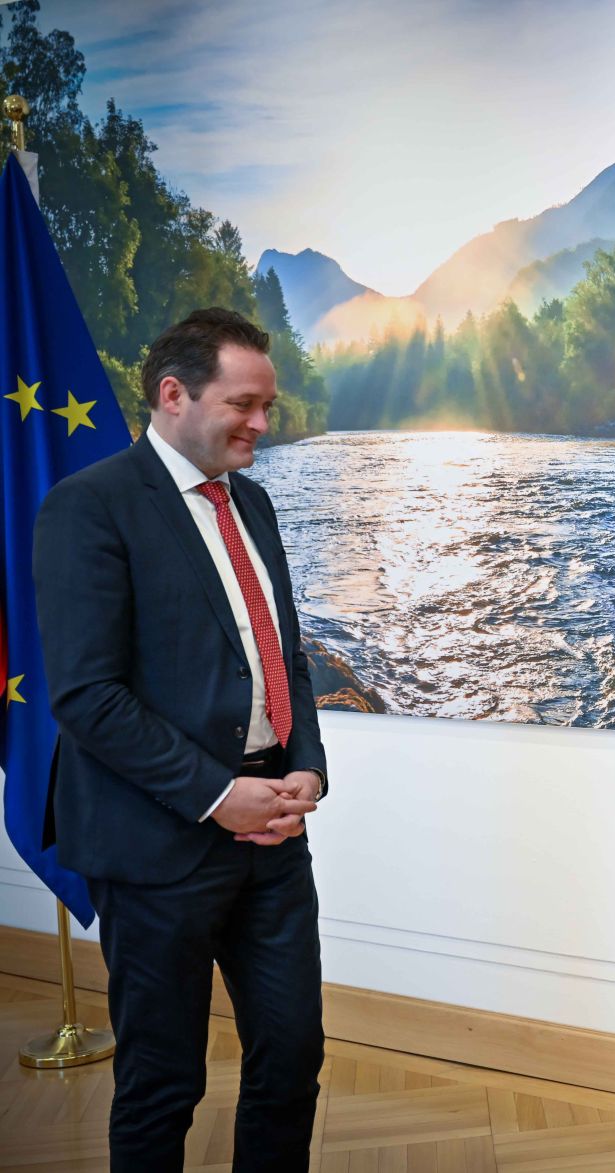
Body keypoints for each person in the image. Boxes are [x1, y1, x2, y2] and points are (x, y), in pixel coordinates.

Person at [33, 307, 328, 1170]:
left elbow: (287, 654)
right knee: (163, 1081)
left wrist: (305, 764)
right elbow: (87, 696)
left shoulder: (256, 503)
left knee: (293, 1056)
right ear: (173, 394)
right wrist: (216, 795)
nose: (263, 425)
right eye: (245, 404)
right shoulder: (87, 508)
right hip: (157, 841)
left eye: (268, 405)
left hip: (273, 831)